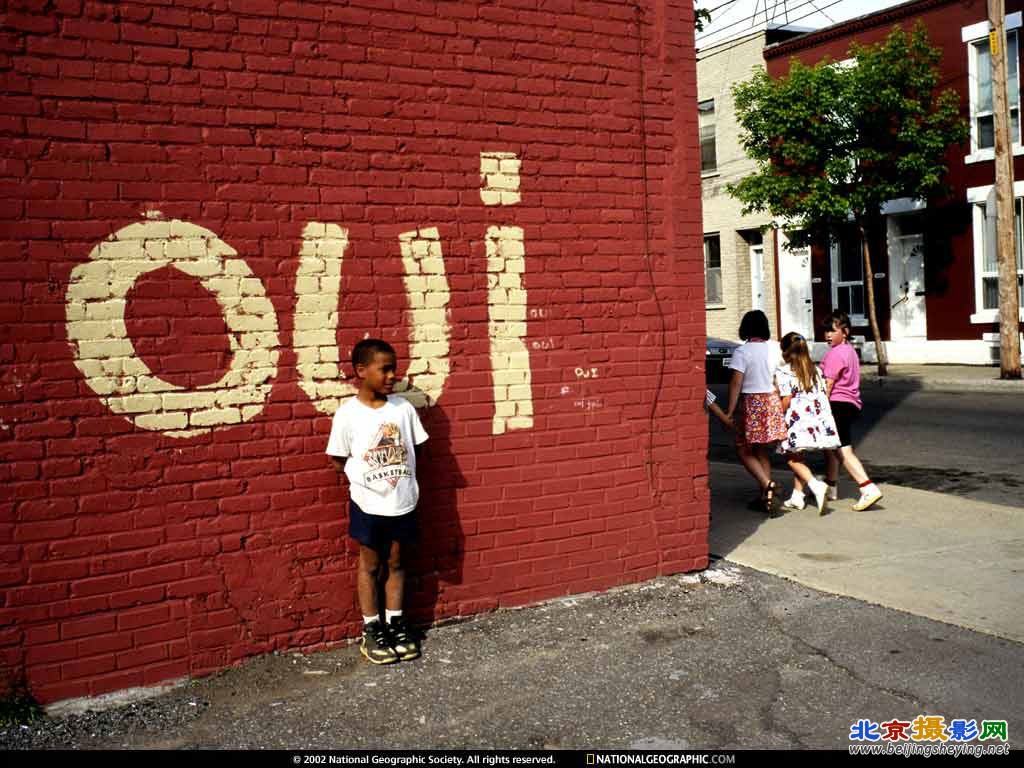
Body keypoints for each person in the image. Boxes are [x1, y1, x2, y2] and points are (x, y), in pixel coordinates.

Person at [326, 339, 429, 664]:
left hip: (403, 501)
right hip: (368, 504)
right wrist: (367, 480)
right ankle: (372, 629)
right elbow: (338, 458)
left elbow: (418, 448)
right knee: (371, 564)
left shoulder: (403, 409)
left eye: (393, 369)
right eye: (384, 369)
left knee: (397, 562)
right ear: (361, 371)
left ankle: (395, 623)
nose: (391, 375)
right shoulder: (348, 414)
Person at [725, 310, 787, 513]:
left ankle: (768, 484)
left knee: (742, 448)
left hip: (752, 403)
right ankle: (765, 497)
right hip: (771, 401)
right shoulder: (774, 349)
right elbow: (779, 378)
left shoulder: (742, 352)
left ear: (745, 328)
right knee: (761, 449)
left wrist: (730, 411)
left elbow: (736, 383)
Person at [820, 311, 883, 511]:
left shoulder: (835, 354)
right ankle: (831, 487)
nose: (828, 335)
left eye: (832, 331)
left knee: (842, 450)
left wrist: (819, 408)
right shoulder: (849, 351)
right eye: (826, 331)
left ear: (845, 332)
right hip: (850, 404)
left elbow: (827, 385)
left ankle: (867, 488)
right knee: (830, 446)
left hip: (837, 404)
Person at [774, 332, 840, 514]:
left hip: (797, 421)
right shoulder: (816, 370)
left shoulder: (784, 371)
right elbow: (823, 394)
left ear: (785, 351)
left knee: (791, 458)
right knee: (799, 457)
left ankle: (816, 485)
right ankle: (797, 496)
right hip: (817, 420)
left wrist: (778, 414)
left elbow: (786, 399)